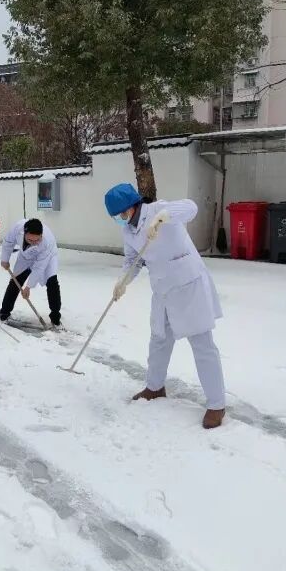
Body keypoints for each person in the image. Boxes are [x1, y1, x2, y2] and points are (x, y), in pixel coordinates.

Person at [104, 183, 226, 429]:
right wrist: (122, 282)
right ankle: (155, 387)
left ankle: (217, 405)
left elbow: (190, 208)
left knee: (202, 344)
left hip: (188, 286)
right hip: (162, 289)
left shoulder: (158, 210)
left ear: (132, 206)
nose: (120, 218)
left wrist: (164, 217)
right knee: (159, 339)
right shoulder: (128, 231)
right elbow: (133, 260)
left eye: (121, 213)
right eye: (116, 216)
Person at [0, 218, 61, 328]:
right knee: (15, 281)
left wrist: (28, 287)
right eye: (30, 240)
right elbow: (8, 243)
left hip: (47, 258)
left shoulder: (47, 242)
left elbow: (39, 268)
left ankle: (55, 319)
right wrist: (5, 259)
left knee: (52, 282)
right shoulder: (17, 227)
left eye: (37, 240)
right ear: (24, 233)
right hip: (25, 257)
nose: (33, 243)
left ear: (41, 235)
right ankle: (4, 314)